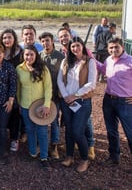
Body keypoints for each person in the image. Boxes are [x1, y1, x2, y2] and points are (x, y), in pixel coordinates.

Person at [57, 37, 97, 173]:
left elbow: (92, 83)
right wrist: (66, 96)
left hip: (82, 101)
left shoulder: (90, 62)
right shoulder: (65, 61)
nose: (75, 49)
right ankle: (69, 156)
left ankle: (85, 159)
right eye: (72, 46)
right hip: (67, 101)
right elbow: (60, 81)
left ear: (83, 46)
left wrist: (75, 95)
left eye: (77, 46)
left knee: (77, 131)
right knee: (68, 130)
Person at [95, 37, 132, 165]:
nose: (113, 50)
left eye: (116, 47)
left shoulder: (130, 61)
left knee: (130, 132)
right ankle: (114, 156)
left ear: (122, 47)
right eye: (111, 47)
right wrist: (91, 59)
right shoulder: (109, 60)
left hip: (125, 102)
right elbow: (103, 70)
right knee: (111, 131)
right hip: (109, 100)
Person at [16, 45, 53, 170]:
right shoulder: (19, 69)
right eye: (26, 54)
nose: (29, 57)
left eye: (31, 54)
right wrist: (20, 103)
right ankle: (32, 152)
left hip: (40, 107)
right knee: (30, 130)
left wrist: (47, 105)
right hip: (26, 106)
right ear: (23, 55)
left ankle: (44, 157)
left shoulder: (43, 69)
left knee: (42, 132)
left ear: (36, 55)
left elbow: (48, 88)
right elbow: (18, 89)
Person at [39, 32, 65, 160]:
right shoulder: (39, 56)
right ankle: (41, 143)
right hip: (41, 95)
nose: (45, 43)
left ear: (52, 41)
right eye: (43, 41)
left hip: (55, 94)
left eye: (47, 40)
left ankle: (54, 145)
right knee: (41, 119)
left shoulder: (60, 57)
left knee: (54, 121)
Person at [0, 28, 24, 152]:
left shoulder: (20, 53)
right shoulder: (0, 52)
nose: (7, 40)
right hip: (1, 88)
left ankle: (15, 138)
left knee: (15, 114)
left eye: (9, 37)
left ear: (14, 39)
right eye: (4, 38)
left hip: (17, 87)